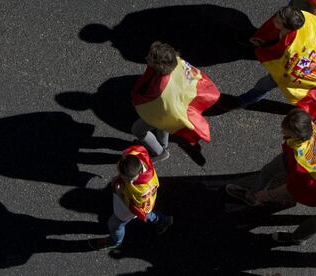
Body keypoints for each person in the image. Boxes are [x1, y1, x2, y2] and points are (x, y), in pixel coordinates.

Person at [226, 108, 316, 245]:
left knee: (271, 175)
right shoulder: (308, 129)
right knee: (268, 170)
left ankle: (296, 238)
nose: (282, 132)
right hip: (293, 162)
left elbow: (292, 186)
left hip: (306, 184)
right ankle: (252, 196)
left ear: (297, 135)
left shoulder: (300, 164)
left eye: (286, 130)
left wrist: (269, 195)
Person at [131, 41, 220, 162]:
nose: (146, 58)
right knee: (163, 123)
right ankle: (162, 146)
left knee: (137, 130)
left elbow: (150, 106)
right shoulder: (177, 62)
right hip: (170, 110)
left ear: (159, 66)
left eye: (151, 58)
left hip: (163, 111)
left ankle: (160, 152)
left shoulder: (160, 89)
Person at [235, 6, 316, 119]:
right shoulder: (304, 20)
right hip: (305, 66)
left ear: (287, 29)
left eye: (277, 21)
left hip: (291, 74)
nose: (273, 20)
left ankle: (242, 101)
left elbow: (282, 70)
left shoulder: (288, 50)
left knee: (264, 85)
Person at [88, 145, 173, 250]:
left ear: (140, 172)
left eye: (130, 179)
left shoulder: (142, 190)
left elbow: (135, 208)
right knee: (148, 212)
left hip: (128, 209)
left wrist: (119, 193)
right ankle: (162, 220)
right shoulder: (136, 158)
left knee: (114, 224)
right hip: (146, 203)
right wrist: (121, 178)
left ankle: (115, 241)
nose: (130, 182)